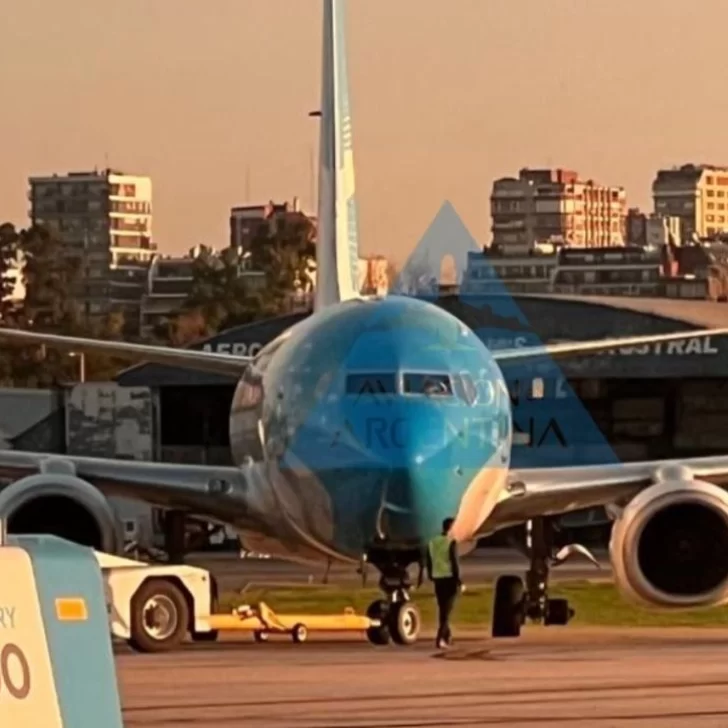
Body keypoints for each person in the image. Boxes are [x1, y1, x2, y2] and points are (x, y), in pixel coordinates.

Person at [426, 517, 461, 649]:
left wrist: (431, 575)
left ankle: (447, 637)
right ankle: (440, 638)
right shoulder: (451, 542)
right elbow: (454, 561)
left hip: (437, 578)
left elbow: (429, 560)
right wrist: (458, 580)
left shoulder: (433, 542)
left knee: (442, 609)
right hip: (450, 578)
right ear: (451, 528)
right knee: (447, 612)